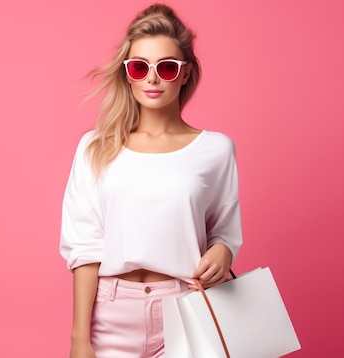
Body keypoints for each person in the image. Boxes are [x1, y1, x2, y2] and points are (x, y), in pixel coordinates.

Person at [59, 3, 243, 357]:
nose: (152, 79)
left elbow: (224, 230)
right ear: (128, 73)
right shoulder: (96, 148)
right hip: (111, 315)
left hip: (187, 308)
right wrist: (78, 340)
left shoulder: (216, 149)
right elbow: (85, 248)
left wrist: (223, 250)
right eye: (140, 67)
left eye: (168, 67)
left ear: (186, 73)